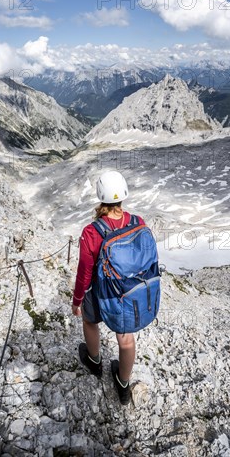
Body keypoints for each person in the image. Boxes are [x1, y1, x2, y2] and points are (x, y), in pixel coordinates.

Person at [72, 171, 145, 404]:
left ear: (100, 196)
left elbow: (84, 271)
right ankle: (123, 385)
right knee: (126, 339)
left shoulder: (92, 232)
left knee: (89, 321)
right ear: (123, 194)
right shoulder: (137, 223)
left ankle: (94, 361)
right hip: (127, 292)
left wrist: (77, 300)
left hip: (99, 291)